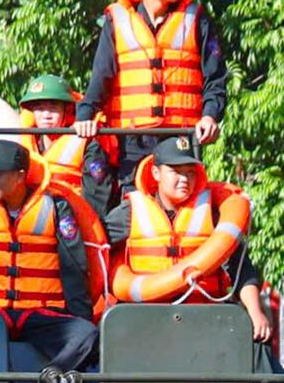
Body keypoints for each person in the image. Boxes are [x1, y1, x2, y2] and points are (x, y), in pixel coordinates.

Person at [75, 0, 230, 184]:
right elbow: (102, 74)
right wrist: (85, 114)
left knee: (181, 201)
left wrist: (210, 115)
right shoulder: (118, 19)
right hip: (132, 137)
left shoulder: (196, 18)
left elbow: (215, 75)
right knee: (134, 203)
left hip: (181, 134)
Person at [0, 139, 101, 373]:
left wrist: (80, 316)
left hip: (39, 314)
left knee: (86, 333)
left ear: (20, 176)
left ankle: (51, 378)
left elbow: (73, 266)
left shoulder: (56, 206)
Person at [105, 135, 273, 341]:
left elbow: (242, 267)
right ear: (156, 173)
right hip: (145, 319)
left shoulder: (212, 213)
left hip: (204, 317)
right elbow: (98, 252)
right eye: (176, 171)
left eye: (190, 173)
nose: (184, 179)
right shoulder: (129, 212)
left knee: (259, 352)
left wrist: (256, 313)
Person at [18, 73, 116, 215]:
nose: (46, 115)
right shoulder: (23, 143)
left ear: (67, 109)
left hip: (74, 219)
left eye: (53, 107)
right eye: (39, 108)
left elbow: (96, 201)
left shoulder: (88, 143)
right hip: (36, 217)